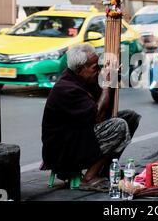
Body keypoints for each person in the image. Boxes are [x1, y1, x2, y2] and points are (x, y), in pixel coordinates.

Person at [41, 44, 141, 191]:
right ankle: (89, 178)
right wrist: (107, 83)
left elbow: (106, 109)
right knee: (118, 125)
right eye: (95, 68)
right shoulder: (67, 88)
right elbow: (98, 117)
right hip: (64, 150)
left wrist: (112, 79)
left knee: (129, 117)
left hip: (80, 135)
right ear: (81, 69)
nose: (98, 71)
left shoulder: (83, 80)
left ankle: (105, 169)